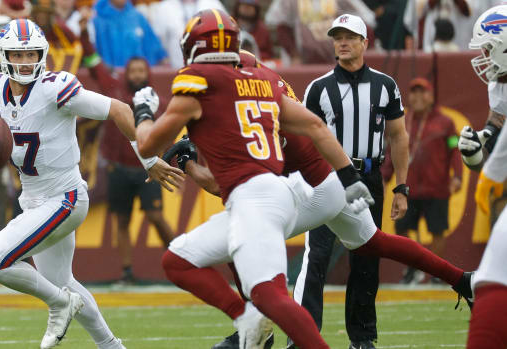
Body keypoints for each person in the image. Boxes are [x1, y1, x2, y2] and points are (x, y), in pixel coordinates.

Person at [167, 49, 473, 349]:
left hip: (305, 186)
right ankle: (461, 280)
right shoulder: (267, 86)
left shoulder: (244, 107)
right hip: (329, 179)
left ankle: (255, 323)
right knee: (374, 242)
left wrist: (189, 165)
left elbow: (224, 187)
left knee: (243, 239)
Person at [134, 8, 379, 349]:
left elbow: (152, 144)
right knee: (182, 261)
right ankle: (248, 322)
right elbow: (314, 127)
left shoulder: (205, 86)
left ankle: (251, 323)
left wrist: (143, 110)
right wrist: (349, 176)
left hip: (262, 195)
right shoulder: (260, 83)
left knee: (268, 295)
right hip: (278, 190)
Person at [0, 18, 182, 349]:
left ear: (43, 54)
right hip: (33, 200)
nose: (25, 62)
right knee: (62, 281)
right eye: (18, 55)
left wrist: (149, 159)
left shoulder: (56, 88)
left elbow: (120, 110)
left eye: (32, 54)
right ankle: (111, 345)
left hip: (65, 198)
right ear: (3, 56)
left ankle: (59, 303)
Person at [291, 14, 409, 349]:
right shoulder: (319, 87)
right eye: (337, 37)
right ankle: (304, 336)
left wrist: (402, 186)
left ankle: (362, 338)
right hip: (328, 177)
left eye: (349, 36)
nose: (342, 42)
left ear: (364, 42)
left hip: (370, 176)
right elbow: (304, 138)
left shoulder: (385, 85)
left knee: (367, 259)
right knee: (316, 257)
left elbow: (399, 137)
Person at [99, 57, 175, 283]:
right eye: (133, 71)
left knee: (156, 216)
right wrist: (83, 34)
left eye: (142, 70)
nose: (137, 75)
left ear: (148, 73)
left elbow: (170, 131)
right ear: (126, 74)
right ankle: (127, 271)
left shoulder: (159, 102)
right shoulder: (118, 97)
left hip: (147, 170)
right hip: (119, 167)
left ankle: (182, 261)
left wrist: (165, 157)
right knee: (121, 221)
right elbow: (95, 68)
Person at [383, 77, 462, 284]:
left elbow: (454, 149)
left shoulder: (445, 122)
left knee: (437, 230)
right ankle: (412, 268)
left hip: (437, 188)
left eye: (422, 92)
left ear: (431, 96)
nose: (418, 97)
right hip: (408, 189)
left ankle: (436, 272)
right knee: (401, 230)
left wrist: (458, 176)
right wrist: (385, 177)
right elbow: (393, 152)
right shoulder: (402, 121)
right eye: (414, 92)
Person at [463, 5, 507, 348]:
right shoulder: (501, 84)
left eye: (490, 48)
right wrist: (481, 142)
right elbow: (498, 122)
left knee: (491, 277)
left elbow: (492, 178)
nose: (485, 58)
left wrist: (483, 165)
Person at [264, 0, 374, 65]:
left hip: (339, 61)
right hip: (303, 63)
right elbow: (281, 25)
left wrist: (358, 54)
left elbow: (365, 21)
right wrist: (294, 55)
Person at [91, 0, 168, 68]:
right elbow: (94, 53)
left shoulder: (137, 17)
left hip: (138, 77)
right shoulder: (97, 20)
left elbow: (154, 46)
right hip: (111, 77)